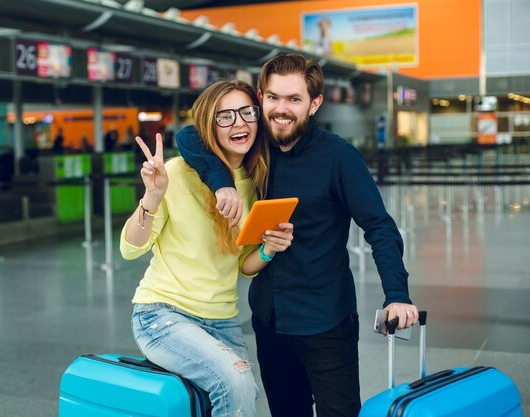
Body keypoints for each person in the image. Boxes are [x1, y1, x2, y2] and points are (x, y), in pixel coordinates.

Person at [175, 54, 418, 417]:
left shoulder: (339, 158)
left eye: (294, 99)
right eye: (273, 98)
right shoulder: (255, 143)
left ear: (314, 103)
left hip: (325, 321)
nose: (281, 110)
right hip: (270, 321)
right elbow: (189, 134)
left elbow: (379, 226)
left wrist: (397, 295)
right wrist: (221, 183)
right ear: (260, 97)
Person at [120, 80, 294, 417]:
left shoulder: (257, 181)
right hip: (162, 314)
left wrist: (269, 249)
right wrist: (152, 197)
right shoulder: (176, 173)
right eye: (224, 116)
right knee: (238, 382)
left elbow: (244, 263)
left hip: (223, 319)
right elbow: (130, 249)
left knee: (242, 392)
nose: (239, 123)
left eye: (246, 112)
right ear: (208, 127)